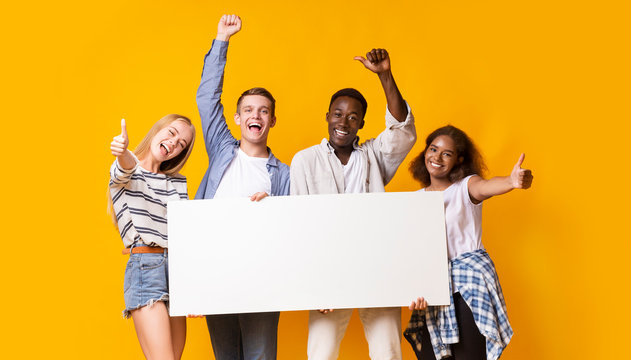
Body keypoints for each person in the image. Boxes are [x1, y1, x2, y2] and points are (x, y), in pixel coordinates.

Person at [290, 48, 417, 360]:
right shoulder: (305, 160)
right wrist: (313, 284)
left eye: (352, 116)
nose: (343, 122)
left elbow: (401, 131)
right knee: (321, 353)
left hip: (376, 263)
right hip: (328, 270)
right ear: (327, 116)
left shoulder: (373, 156)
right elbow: (299, 223)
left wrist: (384, 75)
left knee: (388, 352)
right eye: (337, 114)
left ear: (361, 123)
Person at [195, 14, 290, 360]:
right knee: (225, 356)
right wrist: (222, 39)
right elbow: (207, 99)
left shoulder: (285, 175)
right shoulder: (222, 148)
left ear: (272, 120)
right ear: (237, 118)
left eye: (264, 111)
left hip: (262, 276)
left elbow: (296, 227)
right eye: (248, 109)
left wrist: (275, 205)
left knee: (261, 356)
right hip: (216, 268)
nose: (256, 115)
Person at [404, 125, 533, 360]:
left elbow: (488, 186)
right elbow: (410, 252)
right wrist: (415, 288)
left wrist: (511, 181)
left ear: (458, 160)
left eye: (447, 153)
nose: (437, 157)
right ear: (425, 153)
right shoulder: (415, 201)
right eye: (433, 149)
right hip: (433, 286)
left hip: (468, 288)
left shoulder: (465, 187)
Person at [109, 115, 196, 360]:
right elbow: (123, 168)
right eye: (171, 132)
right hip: (146, 269)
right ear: (157, 130)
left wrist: (194, 291)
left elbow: (185, 238)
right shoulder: (129, 170)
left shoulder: (178, 183)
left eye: (181, 144)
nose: (173, 143)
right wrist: (122, 152)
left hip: (177, 274)